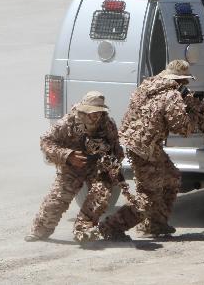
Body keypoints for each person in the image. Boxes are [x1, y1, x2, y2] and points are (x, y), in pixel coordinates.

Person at [98, 60, 204, 238]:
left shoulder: (147, 86)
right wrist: (194, 114)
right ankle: (111, 227)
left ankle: (156, 224)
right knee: (147, 198)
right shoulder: (171, 96)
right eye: (184, 81)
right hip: (145, 149)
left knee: (172, 178)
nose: (186, 85)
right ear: (179, 81)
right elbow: (183, 129)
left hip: (139, 143)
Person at [25, 91, 140, 242]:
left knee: (101, 195)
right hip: (72, 167)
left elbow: (116, 149)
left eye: (99, 112)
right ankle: (40, 231)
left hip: (96, 168)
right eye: (92, 112)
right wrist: (67, 155)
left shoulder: (107, 124)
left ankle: (84, 228)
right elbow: (46, 142)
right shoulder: (69, 123)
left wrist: (112, 163)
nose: (96, 116)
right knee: (57, 199)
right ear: (83, 110)